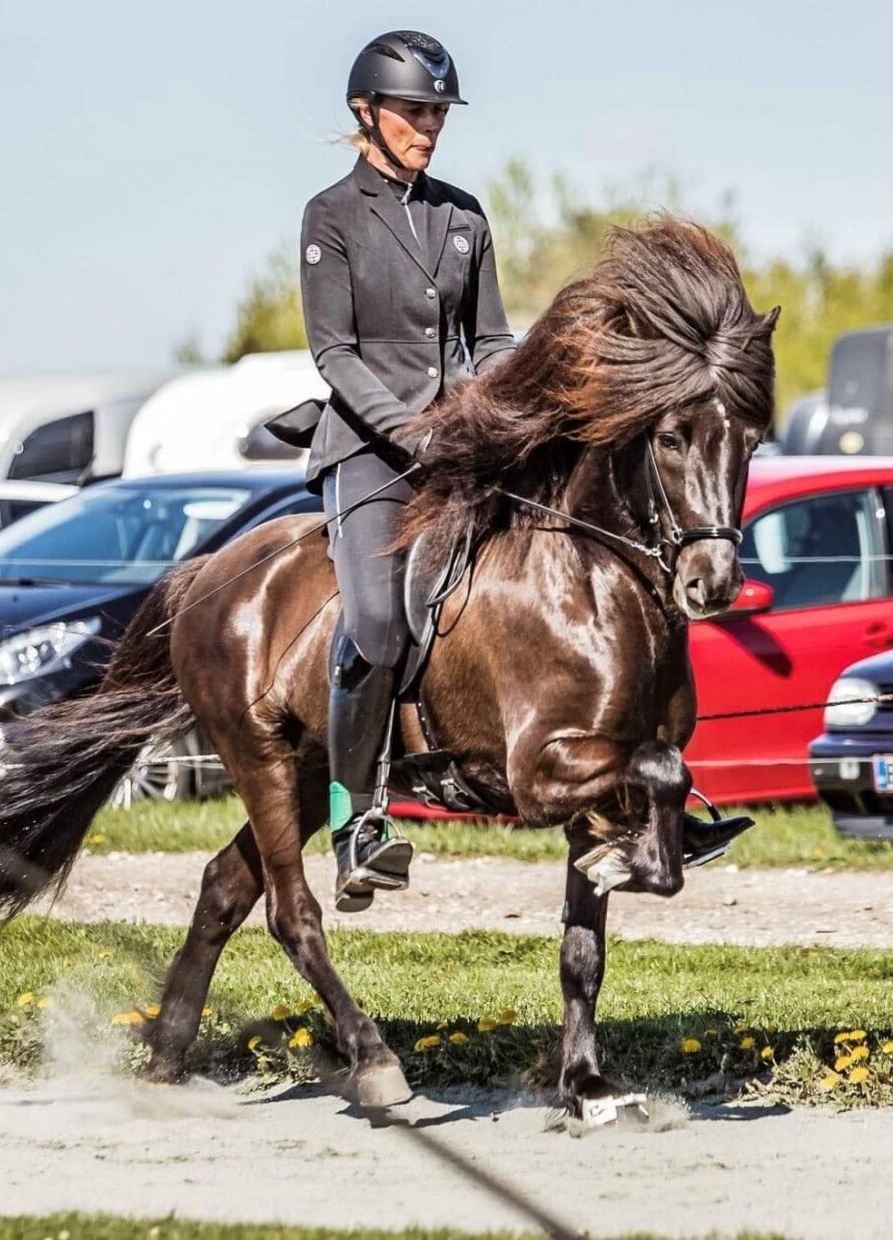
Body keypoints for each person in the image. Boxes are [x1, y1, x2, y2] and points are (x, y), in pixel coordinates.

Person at [296, 30, 515, 912]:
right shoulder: (331, 216)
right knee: (379, 625)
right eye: (415, 111)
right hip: (368, 452)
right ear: (367, 114)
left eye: (436, 113)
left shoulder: (463, 215)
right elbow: (334, 355)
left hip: (462, 443)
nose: (429, 127)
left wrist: (506, 405)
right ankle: (357, 823)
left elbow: (492, 339)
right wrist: (410, 435)